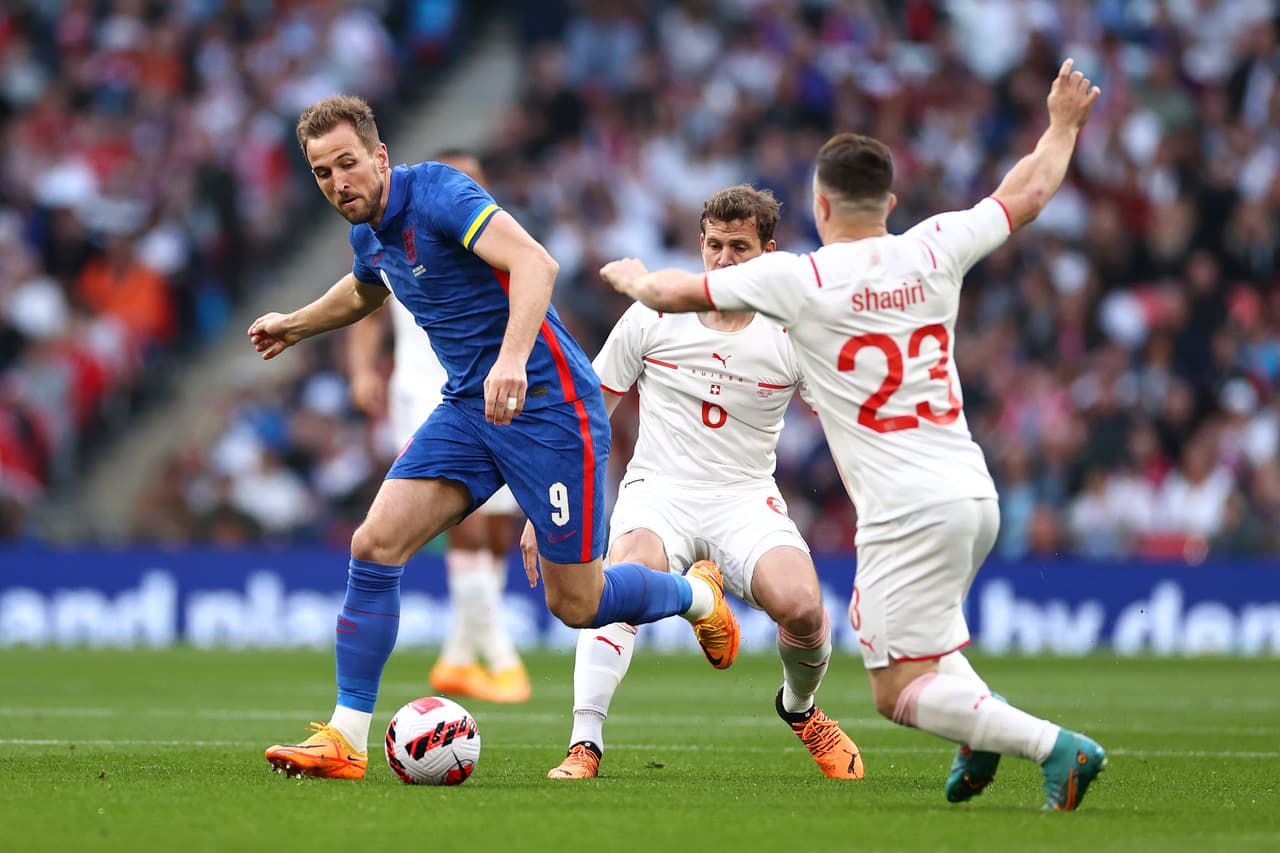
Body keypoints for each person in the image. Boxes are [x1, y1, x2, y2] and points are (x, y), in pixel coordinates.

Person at [600, 60, 1108, 811]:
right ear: (891, 201)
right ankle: (980, 738)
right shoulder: (935, 245)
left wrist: (636, 277)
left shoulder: (799, 279)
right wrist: (1063, 124)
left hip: (902, 508)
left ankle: (1051, 747)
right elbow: (1027, 191)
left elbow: (676, 292)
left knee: (895, 688)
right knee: (931, 646)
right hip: (972, 492)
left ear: (820, 203)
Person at [248, 95, 739, 780]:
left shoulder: (441, 191)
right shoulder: (369, 234)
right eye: (323, 173)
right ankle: (345, 736)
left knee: (578, 602)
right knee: (374, 543)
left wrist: (512, 357)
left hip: (551, 406)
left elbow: (536, 263)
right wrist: (297, 323)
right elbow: (366, 289)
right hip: (470, 410)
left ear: (379, 156)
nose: (338, 183)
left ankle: (697, 596)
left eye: (348, 165)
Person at [525, 185, 864, 782]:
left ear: (767, 251)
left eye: (740, 247)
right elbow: (589, 416)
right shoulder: (654, 315)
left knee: (805, 609)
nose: (726, 259)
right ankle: (585, 743)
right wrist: (546, 506)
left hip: (744, 497)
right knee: (622, 578)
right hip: (660, 490)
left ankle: (801, 710)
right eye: (715, 245)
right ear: (699, 245)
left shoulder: (791, 332)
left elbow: (845, 433)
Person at [347, 148, 530, 704]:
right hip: (423, 393)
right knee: (464, 523)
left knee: (496, 529)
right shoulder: (400, 235)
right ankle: (500, 655)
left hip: (486, 389)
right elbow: (365, 304)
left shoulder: (492, 241)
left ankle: (456, 657)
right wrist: (361, 370)